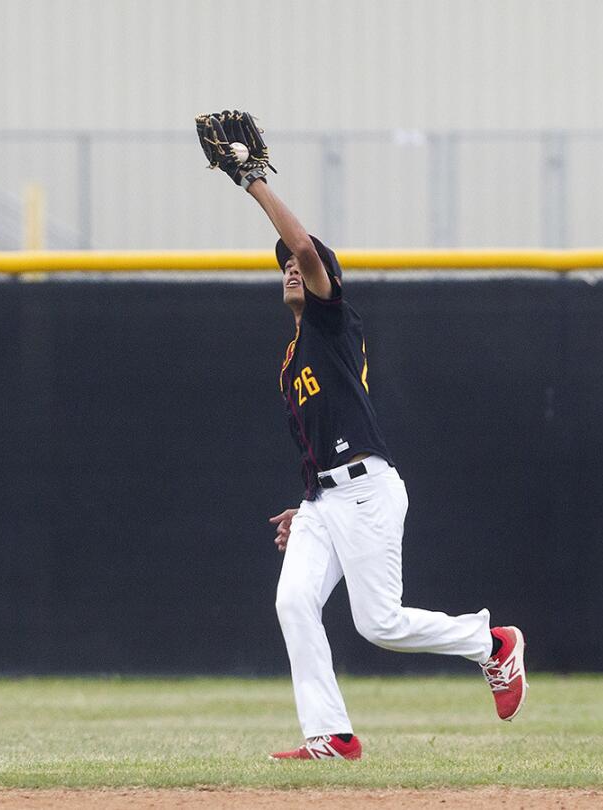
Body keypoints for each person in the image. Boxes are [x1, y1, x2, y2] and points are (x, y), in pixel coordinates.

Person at [197, 112, 526, 761]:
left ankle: (493, 644)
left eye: (298, 261)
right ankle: (331, 735)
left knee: (380, 624)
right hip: (327, 500)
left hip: (371, 491)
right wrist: (308, 503)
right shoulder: (292, 361)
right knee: (294, 602)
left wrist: (255, 182)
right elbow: (319, 441)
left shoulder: (331, 325)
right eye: (282, 265)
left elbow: (311, 251)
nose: (291, 267)